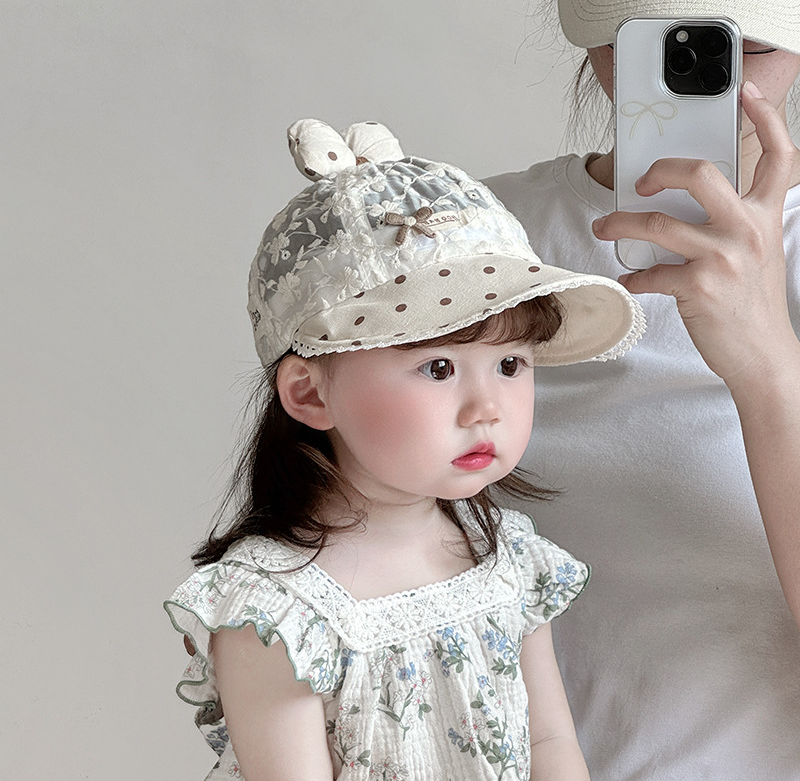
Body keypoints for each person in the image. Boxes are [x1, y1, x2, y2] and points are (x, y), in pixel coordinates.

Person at [164, 118, 645, 781]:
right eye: (439, 368)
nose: (487, 407)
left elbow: (549, 742)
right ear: (309, 393)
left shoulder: (505, 558)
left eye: (510, 364)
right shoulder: (276, 611)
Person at [485, 0, 800, 778]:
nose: (711, 73)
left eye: (751, 46)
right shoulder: (475, 237)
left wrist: (766, 362)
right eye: (646, 37)